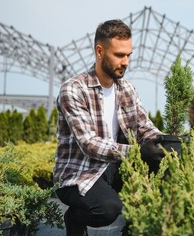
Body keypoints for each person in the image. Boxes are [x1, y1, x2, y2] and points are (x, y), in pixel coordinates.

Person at [53, 19, 165, 236]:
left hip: (114, 165)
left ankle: (135, 229)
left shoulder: (127, 89)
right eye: (119, 55)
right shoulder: (73, 89)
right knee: (107, 209)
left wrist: (164, 142)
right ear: (100, 51)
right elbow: (88, 144)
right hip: (78, 172)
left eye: (128, 55)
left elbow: (144, 126)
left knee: (162, 172)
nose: (126, 62)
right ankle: (74, 218)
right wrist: (137, 151)